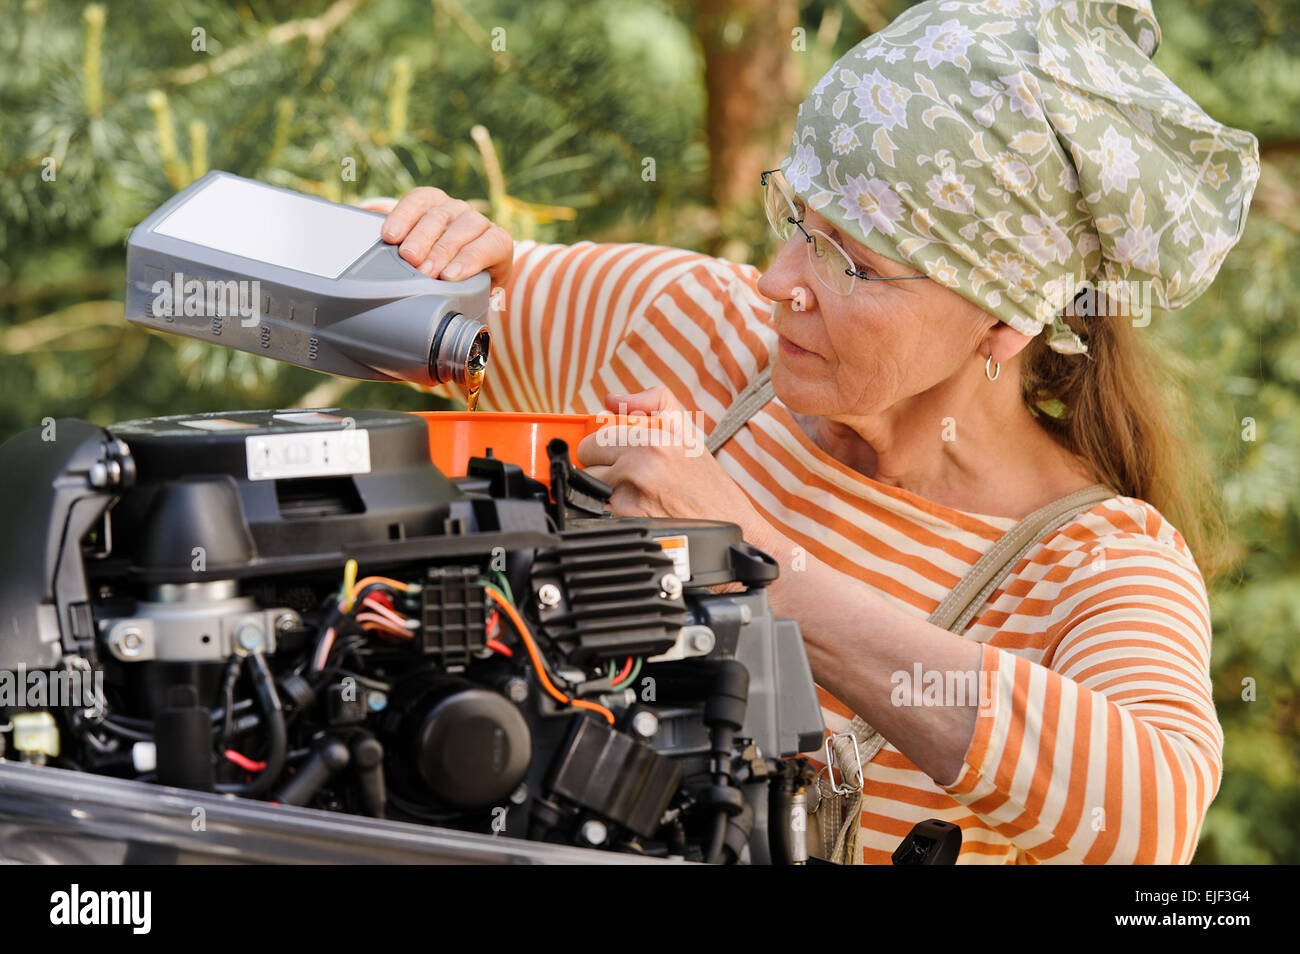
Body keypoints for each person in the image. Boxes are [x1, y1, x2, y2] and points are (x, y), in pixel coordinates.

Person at [365, 0, 1258, 863]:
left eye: (855, 264)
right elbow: (431, 300)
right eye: (795, 219)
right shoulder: (681, 328)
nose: (775, 280)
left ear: (1003, 324)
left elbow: (1152, 813)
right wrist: (428, 254)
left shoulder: (1094, 563)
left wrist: (764, 566)